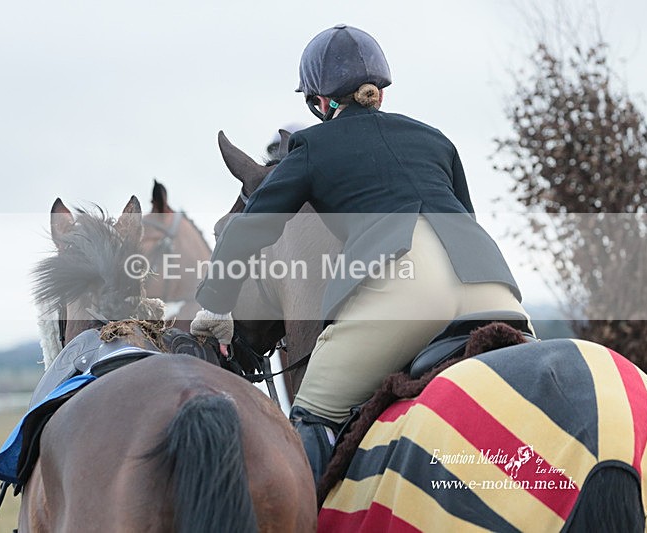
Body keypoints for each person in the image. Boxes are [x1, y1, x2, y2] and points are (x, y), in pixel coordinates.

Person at [191, 24, 529, 484]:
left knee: (309, 420)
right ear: (381, 92)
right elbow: (464, 217)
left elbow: (254, 227)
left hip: (409, 295)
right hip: (493, 288)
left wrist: (216, 301)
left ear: (318, 102)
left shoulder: (312, 145)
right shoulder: (436, 139)